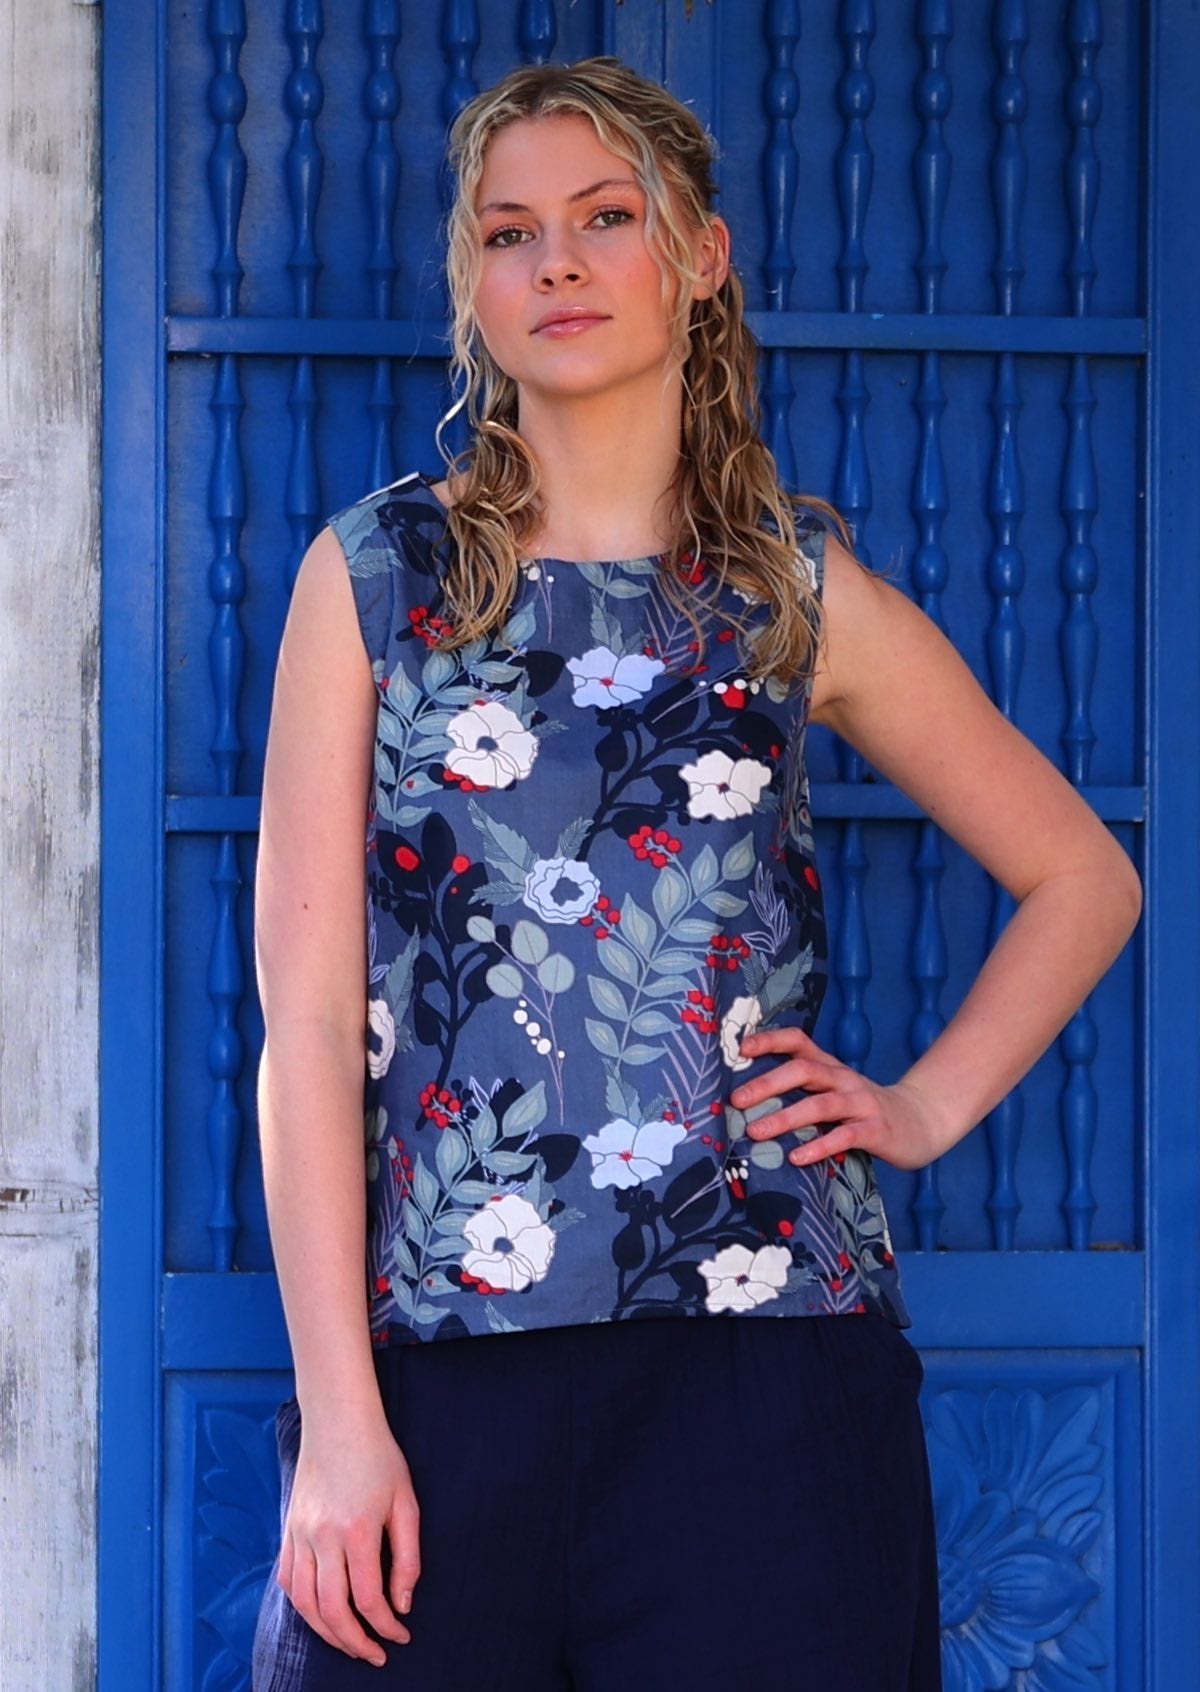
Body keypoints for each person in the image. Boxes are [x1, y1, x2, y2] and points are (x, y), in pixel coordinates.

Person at [250, 55, 1141, 1692]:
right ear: (474, 280)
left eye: (606, 218)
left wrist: (924, 1108)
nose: (561, 264)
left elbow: (1084, 877)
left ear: (701, 256)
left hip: (771, 1380)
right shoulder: (377, 578)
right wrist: (340, 1423)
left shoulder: (793, 593)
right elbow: (304, 1025)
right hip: (443, 1381)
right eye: (512, 233)